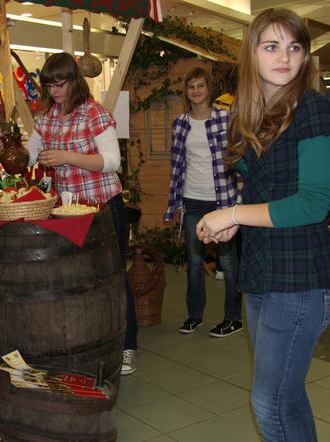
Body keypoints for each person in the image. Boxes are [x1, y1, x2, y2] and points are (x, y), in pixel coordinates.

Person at [196, 9, 330, 441]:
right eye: (271, 46)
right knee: (286, 397)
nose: (285, 57)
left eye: (295, 47)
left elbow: (313, 203)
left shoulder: (314, 110)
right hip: (262, 272)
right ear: (252, 53)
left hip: (300, 279)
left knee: (271, 401)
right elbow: (268, 191)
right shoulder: (255, 113)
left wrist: (234, 214)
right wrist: (237, 223)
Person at [25, 52, 139, 375]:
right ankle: (96, 339)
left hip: (103, 207)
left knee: (114, 274)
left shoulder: (93, 113)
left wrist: (67, 156)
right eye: (49, 84)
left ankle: (128, 344)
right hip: (68, 211)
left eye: (60, 82)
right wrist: (21, 154)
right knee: (82, 279)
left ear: (74, 81)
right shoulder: (47, 118)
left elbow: (112, 162)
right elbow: (31, 153)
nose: (55, 89)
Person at [163, 67, 242, 338]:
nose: (196, 91)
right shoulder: (180, 123)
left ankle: (234, 318)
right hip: (192, 198)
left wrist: (239, 199)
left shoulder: (226, 118)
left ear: (209, 89)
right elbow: (177, 166)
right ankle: (194, 315)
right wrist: (175, 204)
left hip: (222, 199)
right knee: (194, 261)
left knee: (228, 261)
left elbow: (238, 159)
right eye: (191, 86)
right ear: (186, 92)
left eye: (200, 86)